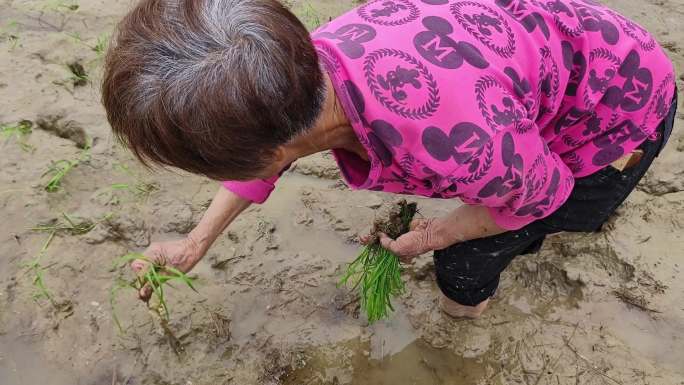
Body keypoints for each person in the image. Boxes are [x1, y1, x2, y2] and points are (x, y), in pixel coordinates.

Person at [102, 0, 677, 319]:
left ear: (270, 152)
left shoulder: (455, 139)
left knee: (481, 261)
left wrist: (432, 235)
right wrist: (195, 240)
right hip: (541, 60)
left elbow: (543, 190)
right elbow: (264, 153)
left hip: (621, 101)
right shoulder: (299, 67)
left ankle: (465, 320)